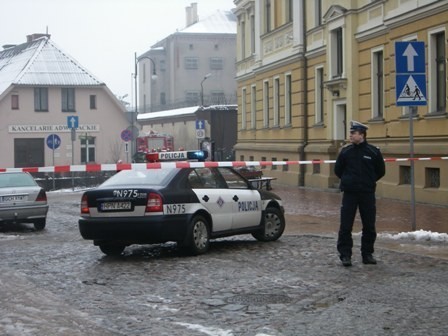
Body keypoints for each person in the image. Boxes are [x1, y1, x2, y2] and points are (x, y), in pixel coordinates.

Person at [334, 121, 386, 267]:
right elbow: (338, 170)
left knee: (369, 225)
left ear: (361, 135)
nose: (350, 135)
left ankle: (367, 254)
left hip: (367, 193)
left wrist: (368, 181)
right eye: (351, 133)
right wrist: (348, 180)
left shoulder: (373, 152)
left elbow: (380, 171)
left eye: (353, 133)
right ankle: (345, 255)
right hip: (350, 193)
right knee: (346, 225)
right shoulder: (346, 152)